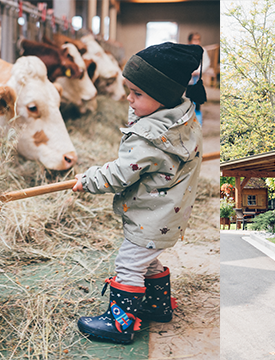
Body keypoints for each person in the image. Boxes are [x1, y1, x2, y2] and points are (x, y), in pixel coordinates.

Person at [72, 42, 205, 345]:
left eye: (138, 94)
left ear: (162, 95)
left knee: (129, 263)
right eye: (129, 91)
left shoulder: (148, 138)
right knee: (148, 258)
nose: (129, 100)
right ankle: (157, 307)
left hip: (150, 215)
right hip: (168, 214)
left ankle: (120, 324)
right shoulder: (182, 120)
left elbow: (119, 174)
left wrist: (89, 179)